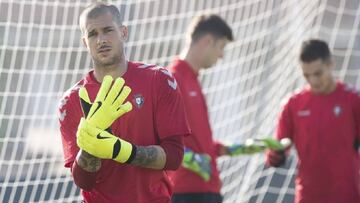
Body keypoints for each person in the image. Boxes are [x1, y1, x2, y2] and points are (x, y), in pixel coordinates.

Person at [58, 2, 190, 203]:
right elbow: (83, 181)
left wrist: (121, 151)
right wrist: (90, 147)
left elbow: (174, 155)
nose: (101, 40)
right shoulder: (72, 100)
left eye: (108, 30)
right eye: (93, 34)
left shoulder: (159, 80)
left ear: (124, 32)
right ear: (85, 42)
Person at [266, 39, 360, 203]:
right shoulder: (292, 105)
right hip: (308, 196)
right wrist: (275, 153)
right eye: (306, 75)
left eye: (318, 74)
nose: (313, 81)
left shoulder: (353, 100)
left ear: (330, 64)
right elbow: (277, 150)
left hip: (347, 195)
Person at [167, 14, 242, 203]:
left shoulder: (193, 80)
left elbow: (192, 140)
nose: (222, 55)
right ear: (208, 41)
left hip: (207, 189)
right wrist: (193, 160)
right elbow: (158, 137)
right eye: (221, 47)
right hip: (186, 192)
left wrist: (219, 148)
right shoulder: (171, 80)